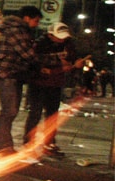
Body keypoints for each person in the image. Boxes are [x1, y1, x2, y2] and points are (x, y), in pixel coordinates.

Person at [0, 6, 60, 154]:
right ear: (27, 18)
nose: (36, 24)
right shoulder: (16, 30)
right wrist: (55, 59)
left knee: (9, 111)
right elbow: (28, 54)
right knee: (10, 110)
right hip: (6, 73)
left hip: (13, 74)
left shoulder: (19, 29)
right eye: (35, 20)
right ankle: (4, 145)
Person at [23, 22, 82, 158]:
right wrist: (58, 68)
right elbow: (36, 65)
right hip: (38, 83)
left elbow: (73, 59)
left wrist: (77, 63)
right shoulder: (39, 45)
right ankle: (28, 143)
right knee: (35, 113)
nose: (61, 39)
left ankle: (49, 143)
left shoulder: (68, 45)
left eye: (63, 37)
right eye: (58, 37)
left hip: (56, 85)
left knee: (52, 116)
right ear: (50, 35)